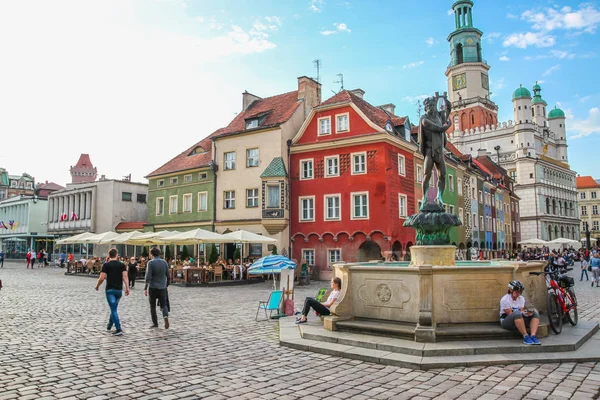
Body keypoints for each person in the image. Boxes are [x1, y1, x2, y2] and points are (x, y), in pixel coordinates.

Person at [95, 249, 129, 336]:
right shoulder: (122, 265)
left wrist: (97, 285)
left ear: (109, 255)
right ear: (117, 255)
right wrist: (127, 288)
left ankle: (118, 329)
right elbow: (125, 277)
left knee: (113, 309)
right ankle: (109, 325)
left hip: (110, 290)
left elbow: (102, 278)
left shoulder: (106, 265)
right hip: (118, 290)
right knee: (114, 308)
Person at [499, 280, 541, 345]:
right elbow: (510, 314)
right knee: (517, 313)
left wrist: (527, 314)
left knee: (535, 312)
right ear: (510, 290)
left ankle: (533, 335)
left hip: (519, 319)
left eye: (519, 291)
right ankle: (525, 336)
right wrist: (522, 313)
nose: (518, 293)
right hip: (506, 321)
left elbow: (521, 311)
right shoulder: (505, 300)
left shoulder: (521, 299)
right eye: (516, 291)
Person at [144, 247, 170, 329]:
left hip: (153, 287)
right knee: (164, 304)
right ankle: (165, 316)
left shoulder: (150, 263)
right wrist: (167, 285)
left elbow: (148, 277)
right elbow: (168, 276)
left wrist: (145, 287)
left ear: (151, 254)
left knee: (152, 306)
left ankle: (155, 323)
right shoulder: (164, 262)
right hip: (162, 287)